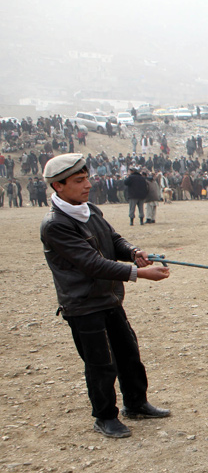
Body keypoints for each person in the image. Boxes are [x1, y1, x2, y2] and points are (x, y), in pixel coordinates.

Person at [39, 154, 171, 439]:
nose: (87, 184)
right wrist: (139, 273)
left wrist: (133, 252)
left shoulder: (89, 210)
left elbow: (113, 239)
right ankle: (105, 416)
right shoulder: (56, 225)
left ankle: (136, 403)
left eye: (86, 178)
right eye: (79, 180)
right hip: (83, 305)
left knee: (128, 354)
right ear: (58, 186)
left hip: (109, 298)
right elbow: (92, 264)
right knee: (100, 363)